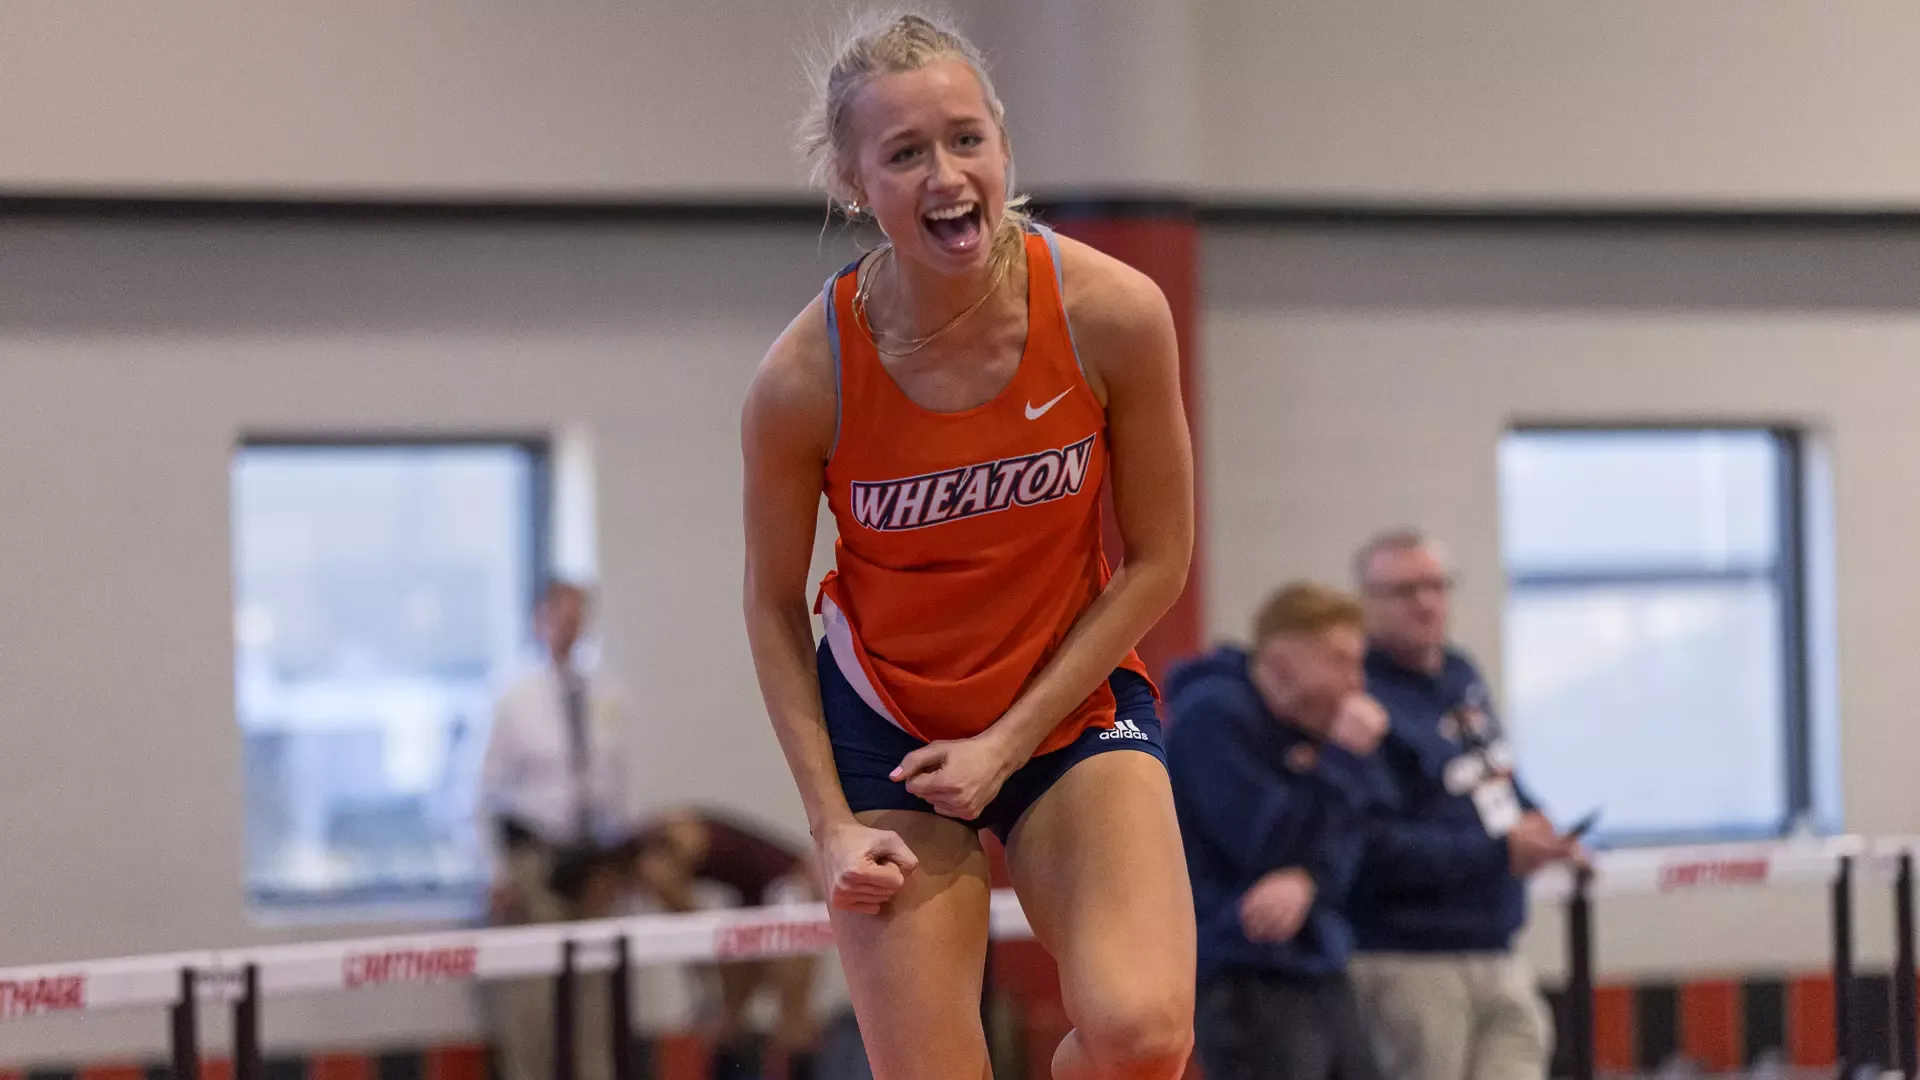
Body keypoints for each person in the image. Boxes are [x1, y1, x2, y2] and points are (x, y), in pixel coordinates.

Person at [739, 11, 1198, 1080]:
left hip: (1063, 709)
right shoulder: (804, 379)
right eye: (905, 153)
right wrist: (828, 825)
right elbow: (770, 603)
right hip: (888, 729)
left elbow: (1159, 559)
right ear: (855, 183)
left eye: (965, 140)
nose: (945, 176)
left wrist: (1008, 738)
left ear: (1003, 146)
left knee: (1142, 1033)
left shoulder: (1112, 312)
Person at [1345, 529, 1581, 1080]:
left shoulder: (1458, 674)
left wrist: (1539, 826)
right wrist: (1499, 852)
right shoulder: (1357, 697)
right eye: (1404, 591)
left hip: (1496, 943)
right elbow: (1371, 844)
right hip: (1408, 955)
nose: (1425, 603)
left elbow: (1491, 777)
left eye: (1436, 586)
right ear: (1367, 602)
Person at [1166, 582, 1391, 1080]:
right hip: (1241, 965)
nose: (1357, 684)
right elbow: (1260, 843)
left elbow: (1365, 830)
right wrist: (1339, 760)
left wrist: (1309, 879)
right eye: (1340, 661)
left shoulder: (1315, 730)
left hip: (1318, 957)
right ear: (1282, 662)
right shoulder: (1211, 717)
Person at [478, 578, 636, 1080]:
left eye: (576, 616)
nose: (568, 626)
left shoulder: (604, 692)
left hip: (591, 855)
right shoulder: (513, 696)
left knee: (595, 989)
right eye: (559, 616)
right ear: (539, 621)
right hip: (536, 857)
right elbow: (481, 793)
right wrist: (494, 871)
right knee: (534, 994)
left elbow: (614, 783)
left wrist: (618, 861)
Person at [630, 808, 822, 1080]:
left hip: (790, 884)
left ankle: (795, 1062)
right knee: (730, 1017)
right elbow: (690, 924)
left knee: (791, 1014)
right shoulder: (669, 840)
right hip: (753, 896)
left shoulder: (669, 844)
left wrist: (706, 972)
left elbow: (686, 917)